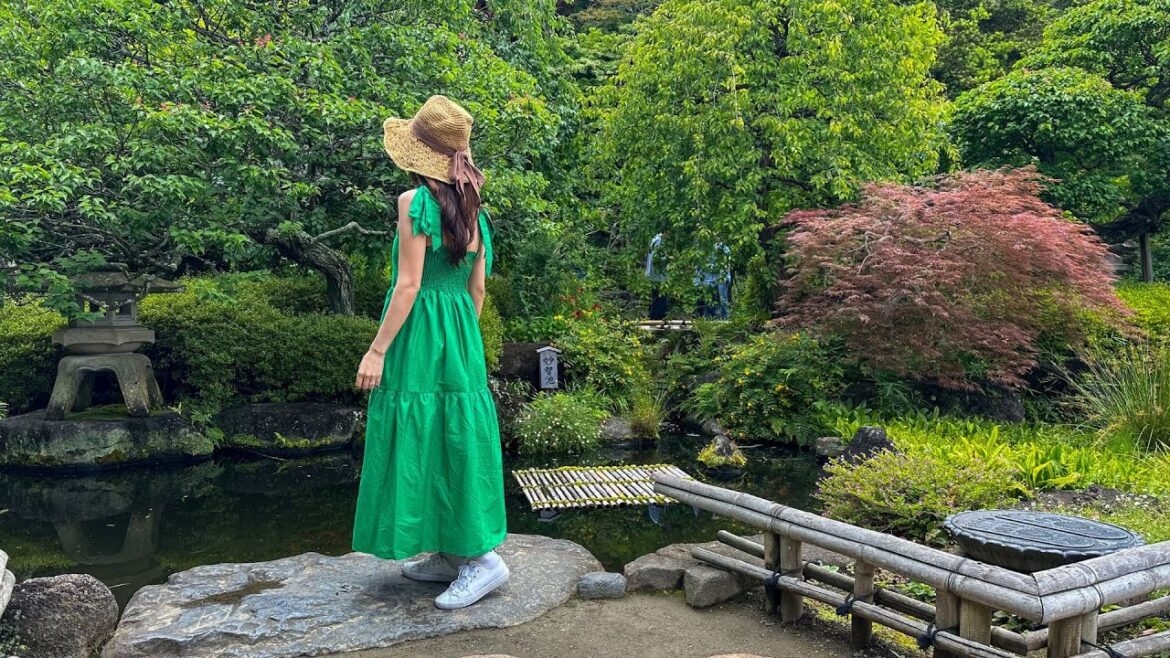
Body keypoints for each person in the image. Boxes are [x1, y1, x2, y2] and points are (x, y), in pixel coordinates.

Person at [351, 95, 508, 610]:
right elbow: (479, 291)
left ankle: (484, 561)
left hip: (419, 333)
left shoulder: (413, 204)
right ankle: (451, 549)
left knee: (424, 431)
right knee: (454, 434)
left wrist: (377, 350)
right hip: (461, 332)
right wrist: (461, 339)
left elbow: (408, 286)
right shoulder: (475, 212)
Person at [695, 242, 731, 320]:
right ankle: (707, 318)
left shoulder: (723, 248)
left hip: (721, 276)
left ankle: (725, 318)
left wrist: (724, 276)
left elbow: (726, 264)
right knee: (707, 299)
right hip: (707, 278)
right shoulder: (702, 247)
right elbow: (698, 265)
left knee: (722, 298)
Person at [645, 232, 669, 320]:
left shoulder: (657, 240)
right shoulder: (658, 242)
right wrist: (670, 258)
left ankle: (657, 318)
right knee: (660, 300)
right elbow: (657, 259)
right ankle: (656, 320)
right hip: (658, 276)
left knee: (658, 299)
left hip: (657, 276)